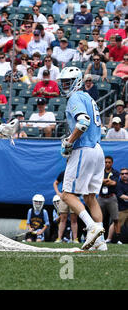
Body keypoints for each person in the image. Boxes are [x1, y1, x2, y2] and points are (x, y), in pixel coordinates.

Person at [57, 66, 107, 251]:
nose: (64, 87)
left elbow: (83, 122)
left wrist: (69, 142)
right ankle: (101, 243)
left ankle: (92, 227)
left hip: (84, 148)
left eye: (67, 83)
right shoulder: (89, 98)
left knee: (67, 195)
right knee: (91, 197)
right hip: (98, 149)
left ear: (77, 81)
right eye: (62, 83)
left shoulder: (75, 97)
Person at [97, 156, 120, 243]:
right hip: (101, 197)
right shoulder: (99, 172)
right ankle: (99, 238)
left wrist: (103, 181)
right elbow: (97, 181)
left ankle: (118, 239)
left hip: (111, 197)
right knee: (99, 219)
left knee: (115, 219)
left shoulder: (115, 172)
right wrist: (106, 181)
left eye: (109, 162)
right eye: (106, 162)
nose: (107, 164)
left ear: (112, 163)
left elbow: (114, 183)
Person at [53, 170, 79, 243]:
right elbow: (55, 183)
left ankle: (75, 239)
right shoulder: (63, 173)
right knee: (62, 218)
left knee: (74, 219)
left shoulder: (77, 173)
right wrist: (58, 193)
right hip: (64, 196)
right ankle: (59, 238)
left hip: (74, 196)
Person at [115, 167, 128, 244]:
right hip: (122, 209)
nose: (124, 175)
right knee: (117, 224)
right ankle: (115, 239)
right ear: (120, 175)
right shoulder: (118, 184)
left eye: (126, 173)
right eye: (122, 174)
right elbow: (120, 195)